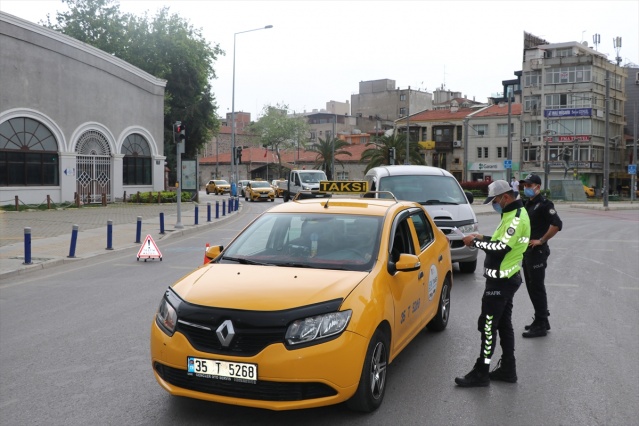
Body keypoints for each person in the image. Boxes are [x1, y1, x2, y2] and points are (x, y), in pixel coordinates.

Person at [455, 180, 530, 387]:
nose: (494, 204)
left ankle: (481, 372)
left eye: (495, 200)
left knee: (488, 326)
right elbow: (502, 241)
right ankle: (508, 369)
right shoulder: (510, 215)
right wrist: (482, 236)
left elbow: (500, 248)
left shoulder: (515, 218)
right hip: (504, 280)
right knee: (503, 325)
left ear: (505, 197)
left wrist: (475, 242)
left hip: (500, 283)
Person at [519, 174, 563, 338]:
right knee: (531, 287)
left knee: (537, 288)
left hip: (537, 253)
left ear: (537, 186)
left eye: (529, 185)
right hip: (526, 252)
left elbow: (557, 224)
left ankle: (541, 324)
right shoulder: (527, 204)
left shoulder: (545, 204)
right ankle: (542, 319)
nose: (526, 188)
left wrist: (542, 240)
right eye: (525, 185)